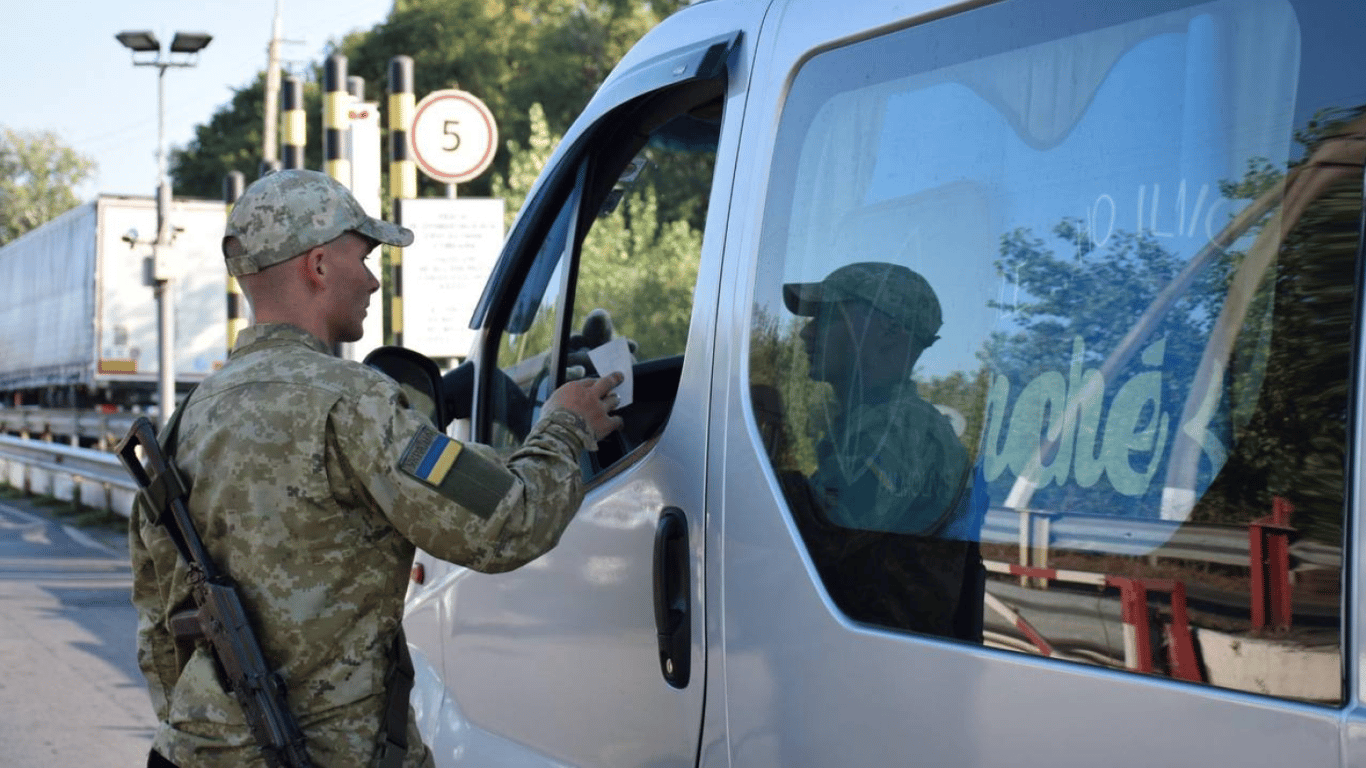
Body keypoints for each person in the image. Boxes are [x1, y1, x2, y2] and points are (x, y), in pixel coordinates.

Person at [129, 169, 625, 768]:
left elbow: (162, 626)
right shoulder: (355, 403)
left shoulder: (185, 420)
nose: (369, 281)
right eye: (362, 258)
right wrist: (565, 426)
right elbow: (507, 522)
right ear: (317, 266)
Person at [779, 261, 983, 638]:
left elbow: (811, 540)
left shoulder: (899, 431)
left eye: (827, 318)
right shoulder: (877, 425)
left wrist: (764, 448)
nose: (806, 335)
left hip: (885, 668)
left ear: (888, 331)